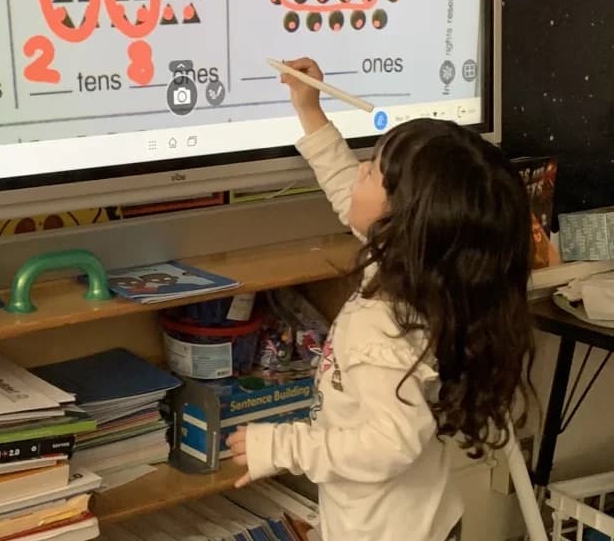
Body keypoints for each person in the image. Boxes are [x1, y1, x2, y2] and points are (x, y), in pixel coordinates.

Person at [226, 57, 535, 541]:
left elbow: (389, 444)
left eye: (374, 172)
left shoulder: (382, 319)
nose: (360, 170)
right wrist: (310, 110)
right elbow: (345, 186)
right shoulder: (419, 269)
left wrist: (283, 447)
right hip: (415, 518)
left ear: (403, 220)